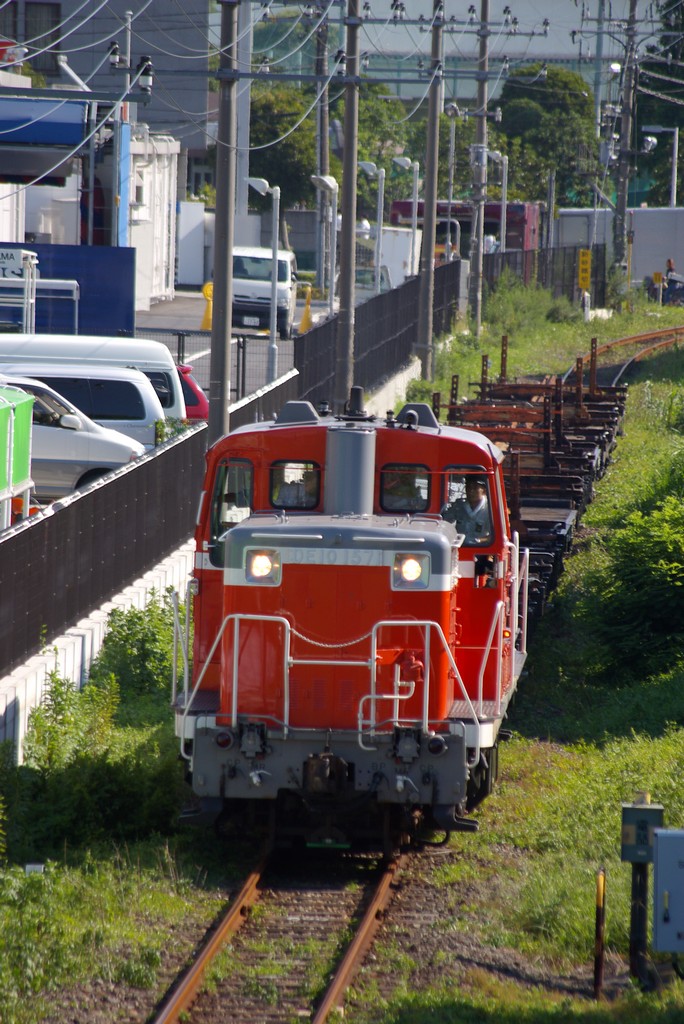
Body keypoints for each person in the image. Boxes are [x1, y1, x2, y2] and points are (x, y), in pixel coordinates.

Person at [442, 476, 491, 545]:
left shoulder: (489, 510)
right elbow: (444, 522)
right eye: (468, 487)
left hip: (479, 550)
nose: (471, 491)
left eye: (475, 488)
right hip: (459, 547)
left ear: (484, 491)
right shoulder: (459, 505)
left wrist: (479, 540)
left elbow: (493, 536)